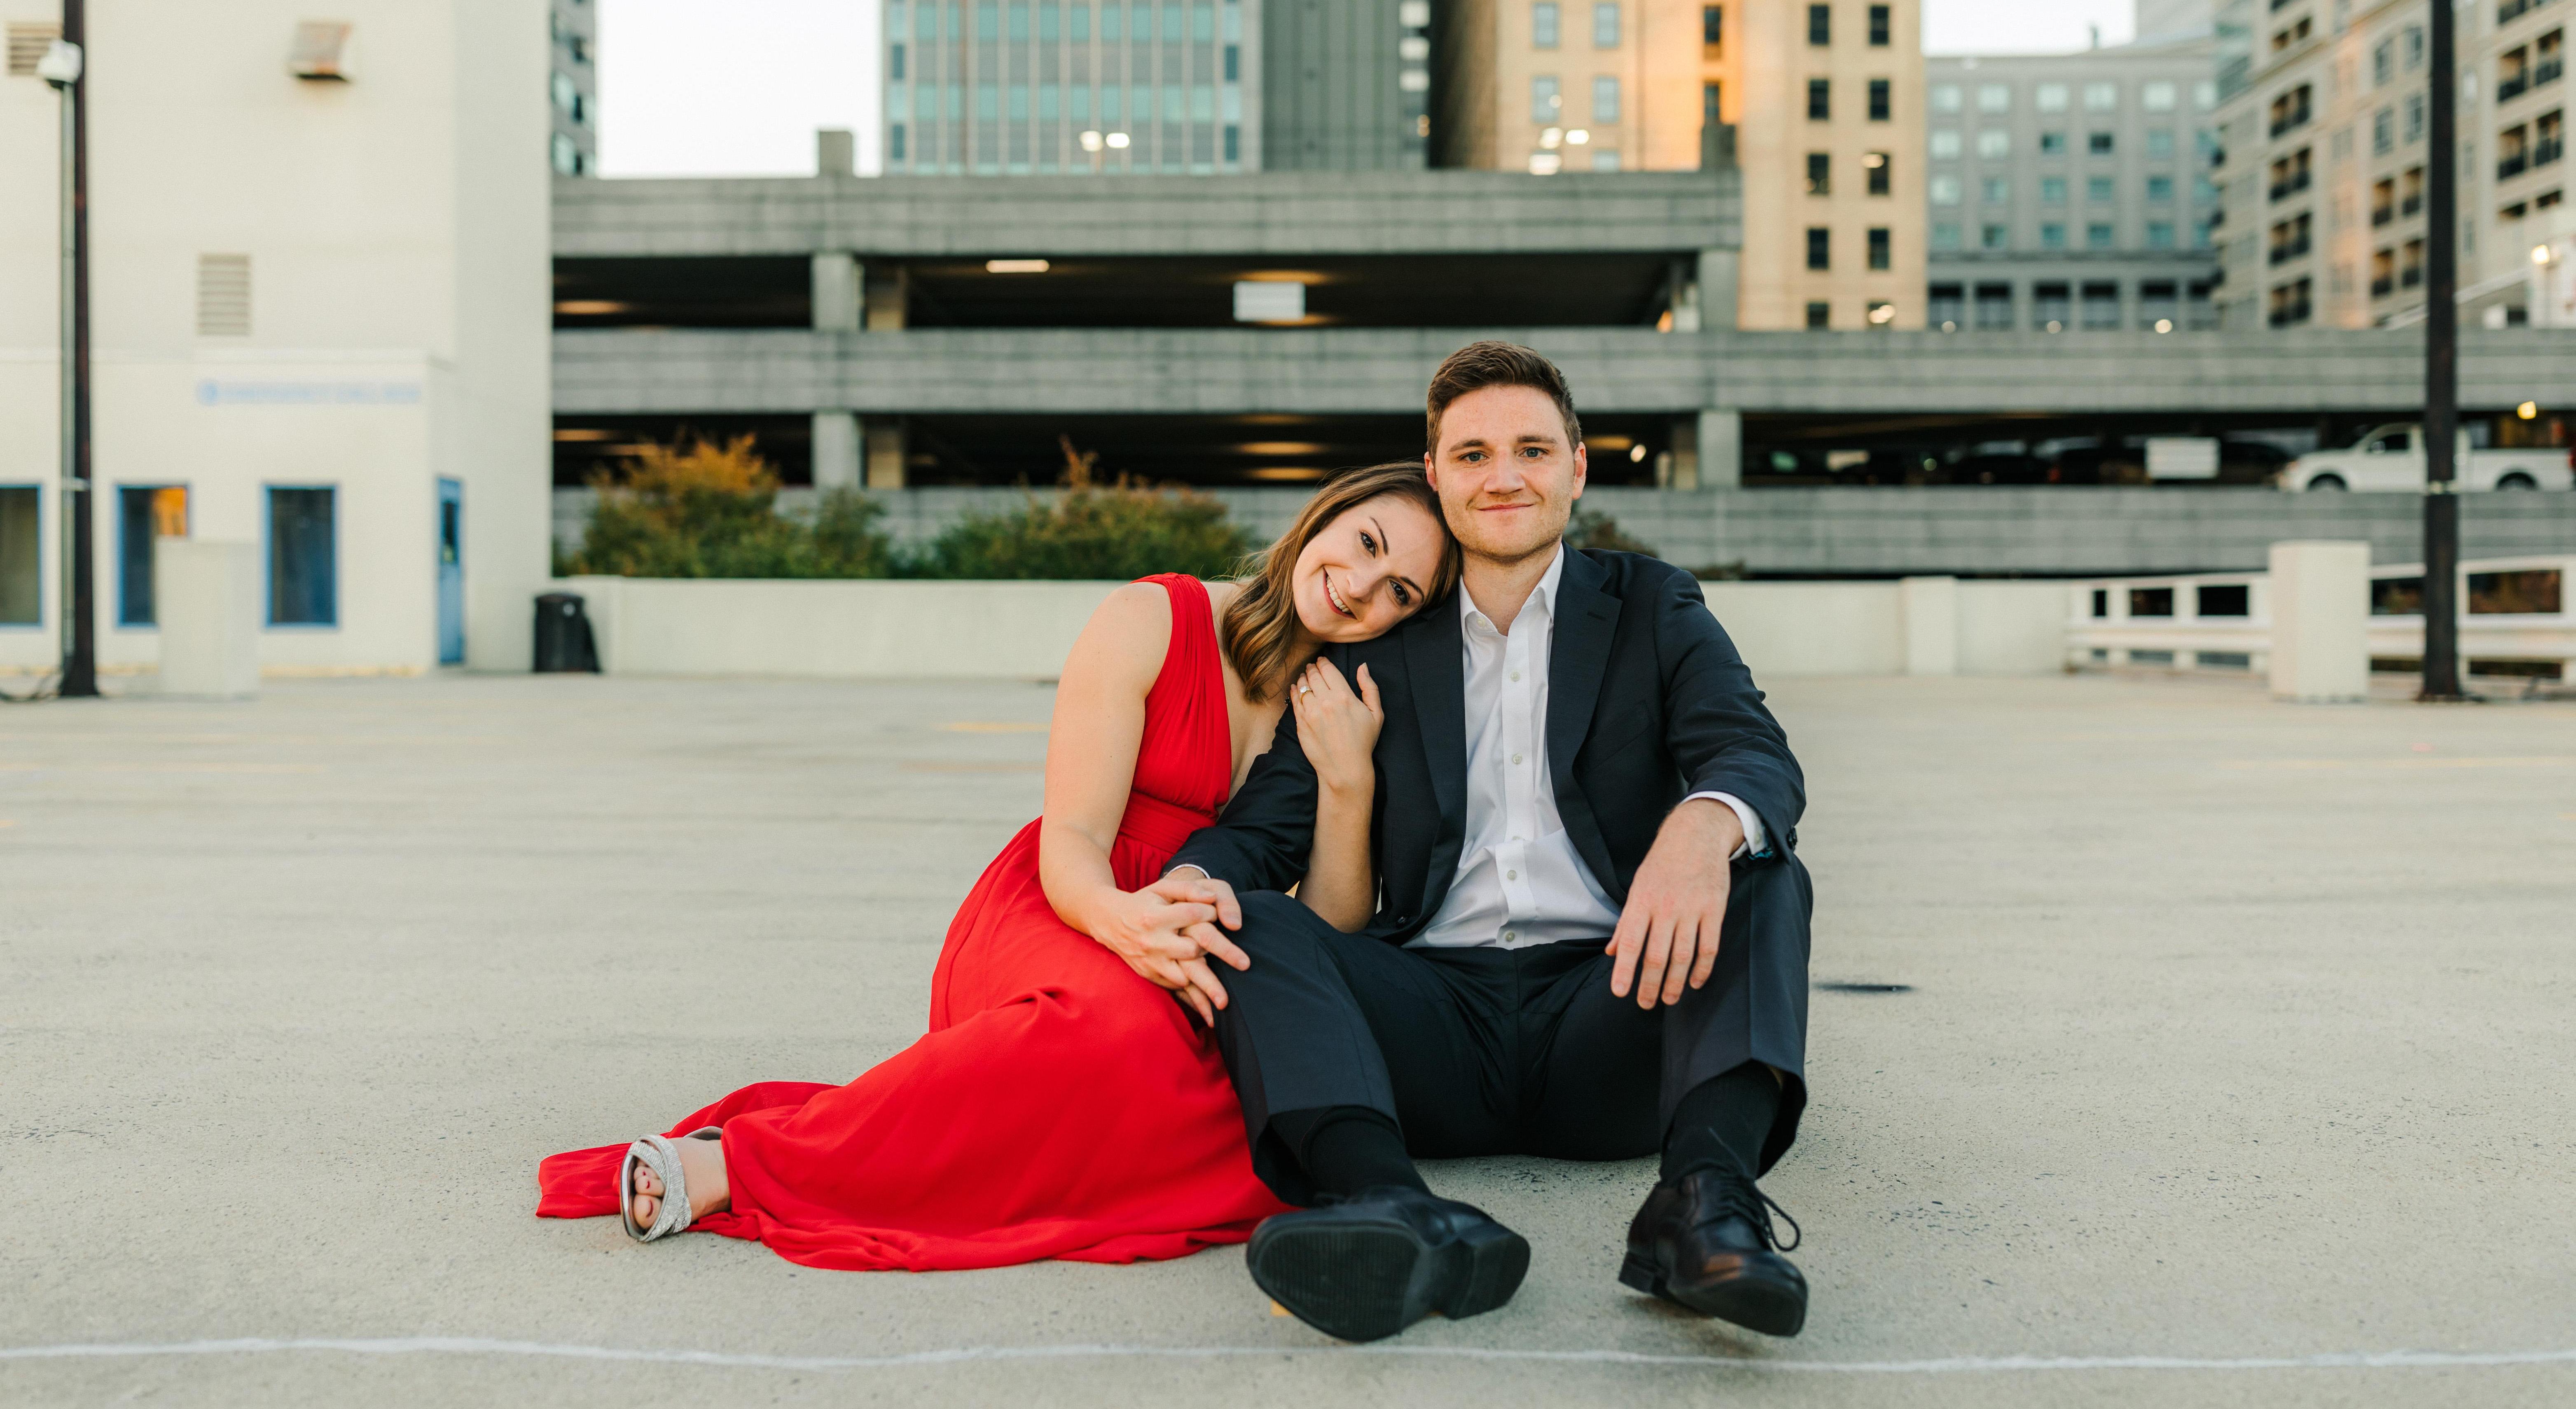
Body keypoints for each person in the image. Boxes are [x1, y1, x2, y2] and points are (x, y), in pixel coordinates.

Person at [535, 461, 1459, 1271]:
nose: (1361, 588)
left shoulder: (1344, 702)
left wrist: (1349, 782)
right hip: (1071, 900)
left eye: (1400, 592)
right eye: (1366, 543)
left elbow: (1325, 930)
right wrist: (1124, 922)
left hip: (1195, 949)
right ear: (1326, 514)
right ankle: (735, 1165)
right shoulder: (1151, 616)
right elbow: (1074, 838)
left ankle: (887, 1122)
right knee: (1119, 1041)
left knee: (1254, 1105)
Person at [1163, 342, 1815, 1343]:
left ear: (1576, 468)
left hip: (1616, 1005)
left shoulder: (1651, 605)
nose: (1503, 476)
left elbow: (1751, 750)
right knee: (1249, 918)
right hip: (1428, 1022)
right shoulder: (1378, 641)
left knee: (1761, 866)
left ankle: (1703, 1206)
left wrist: (1700, 824)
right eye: (1472, 454)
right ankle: (1391, 1208)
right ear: (1435, 474)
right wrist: (1187, 887)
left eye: (1531, 451)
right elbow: (1260, 833)